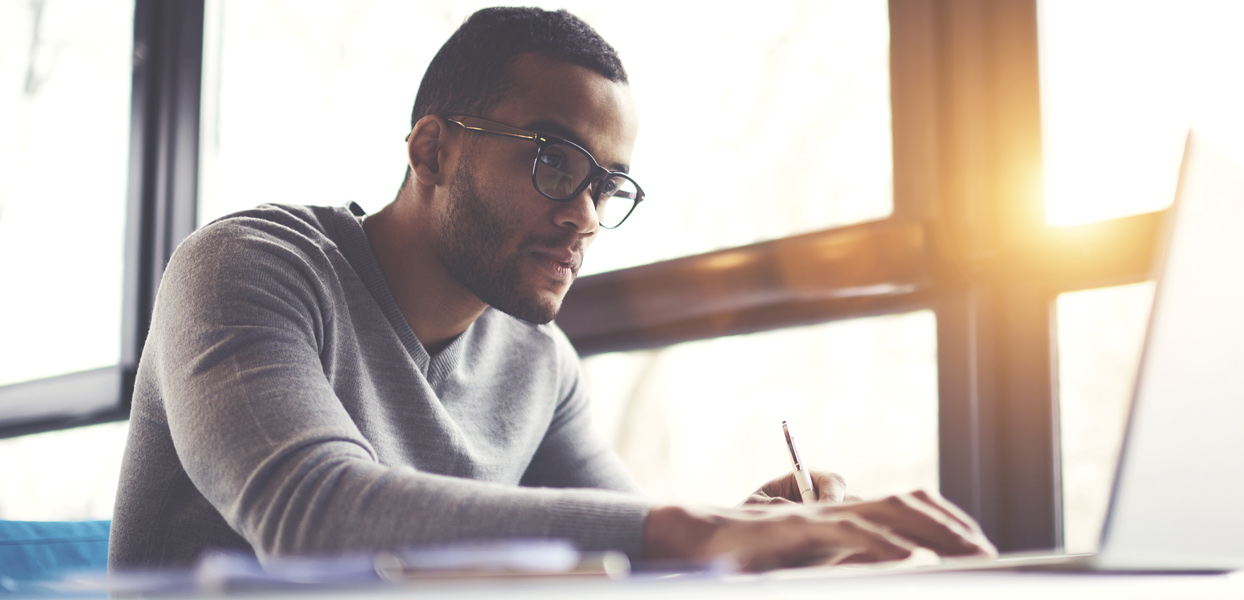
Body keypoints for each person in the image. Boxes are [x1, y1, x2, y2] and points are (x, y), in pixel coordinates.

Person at [109, 6, 995, 573]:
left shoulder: (539, 364)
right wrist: (691, 531)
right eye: (551, 162)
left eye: (607, 186)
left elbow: (622, 539)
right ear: (431, 150)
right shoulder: (248, 267)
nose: (585, 217)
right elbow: (312, 515)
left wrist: (747, 537)